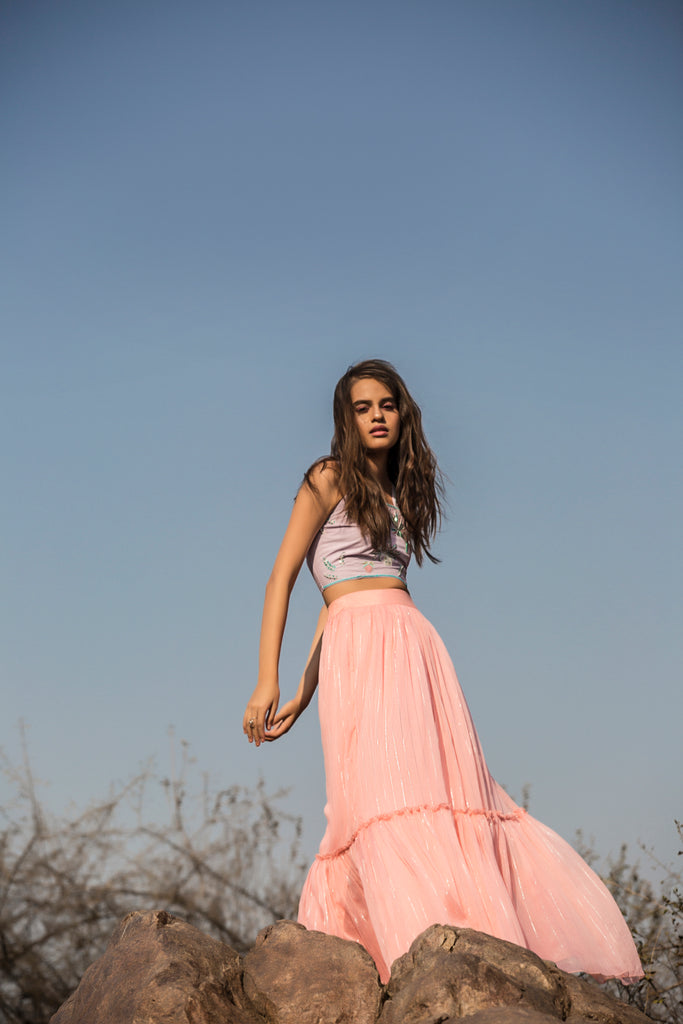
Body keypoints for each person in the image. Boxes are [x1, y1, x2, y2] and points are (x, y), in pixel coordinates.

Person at [242, 359, 643, 985]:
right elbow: (290, 583)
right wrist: (275, 682)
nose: (376, 416)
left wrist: (304, 684)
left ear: (403, 414)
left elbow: (362, 590)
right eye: (362, 407)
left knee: (438, 791)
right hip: (358, 651)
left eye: (387, 405)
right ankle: (387, 951)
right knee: (373, 800)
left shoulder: (401, 492)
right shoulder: (325, 479)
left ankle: (457, 947)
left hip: (413, 646)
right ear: (344, 420)